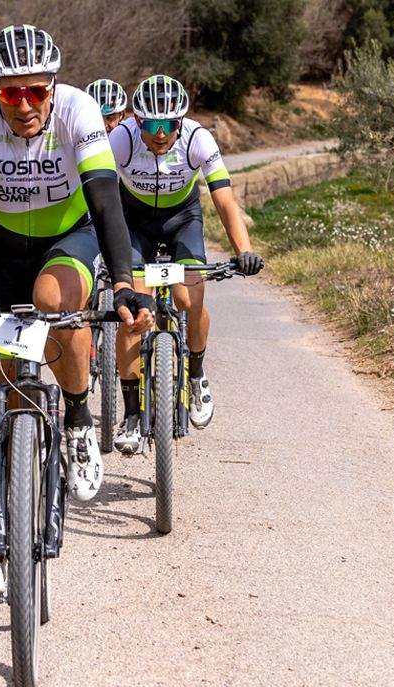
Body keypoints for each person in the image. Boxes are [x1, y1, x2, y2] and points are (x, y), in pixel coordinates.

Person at [0, 25, 154, 602]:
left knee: (51, 302)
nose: (23, 105)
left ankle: (81, 419)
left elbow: (106, 199)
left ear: (53, 88)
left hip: (69, 240)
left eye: (35, 91)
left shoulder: (79, 113)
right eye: (8, 93)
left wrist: (123, 284)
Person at [108, 74, 263, 454]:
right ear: (136, 121)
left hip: (183, 221)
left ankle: (196, 374)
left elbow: (224, 199)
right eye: (151, 125)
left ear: (181, 122)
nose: (160, 134)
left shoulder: (197, 139)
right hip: (134, 224)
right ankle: (130, 415)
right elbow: (100, 195)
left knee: (189, 298)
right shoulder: (121, 140)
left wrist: (244, 248)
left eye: (169, 125)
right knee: (133, 313)